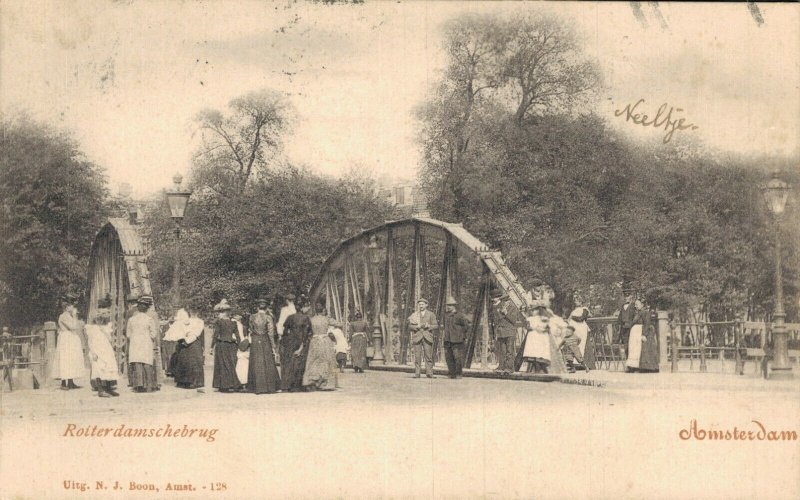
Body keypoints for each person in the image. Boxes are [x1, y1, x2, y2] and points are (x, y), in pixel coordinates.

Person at [247, 297, 281, 394]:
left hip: (255, 340)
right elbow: (270, 332)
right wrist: (273, 346)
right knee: (267, 362)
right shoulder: (268, 317)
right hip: (265, 339)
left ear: (257, 307)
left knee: (256, 362)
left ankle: (256, 387)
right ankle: (269, 387)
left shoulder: (252, 317)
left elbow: (251, 330)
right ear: (266, 308)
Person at [126, 296, 160, 392]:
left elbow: (128, 334)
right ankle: (149, 386)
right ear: (147, 308)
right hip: (146, 343)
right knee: (147, 363)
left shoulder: (132, 319)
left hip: (135, 343)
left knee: (137, 363)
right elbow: (153, 334)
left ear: (138, 308)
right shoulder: (149, 319)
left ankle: (138, 386)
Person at [53, 293, 86, 390]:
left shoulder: (68, 315)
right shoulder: (64, 316)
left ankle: (71, 382)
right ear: (67, 307)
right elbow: (74, 327)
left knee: (71, 359)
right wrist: (75, 316)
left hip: (70, 338)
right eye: (71, 306)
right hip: (66, 338)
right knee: (66, 359)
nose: (73, 308)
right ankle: (64, 383)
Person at [85, 305, 119, 397]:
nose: (99, 321)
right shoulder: (92, 329)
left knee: (109, 367)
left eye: (101, 320)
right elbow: (90, 342)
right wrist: (93, 352)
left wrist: (104, 331)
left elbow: (110, 339)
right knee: (99, 369)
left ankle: (108, 388)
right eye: (98, 319)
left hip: (106, 349)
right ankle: (100, 390)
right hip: (97, 351)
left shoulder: (106, 328)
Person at [280, 295, 312, 392]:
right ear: (302, 308)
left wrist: (286, 340)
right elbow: (308, 333)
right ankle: (297, 385)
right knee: (300, 362)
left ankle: (286, 385)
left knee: (289, 362)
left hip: (291, 340)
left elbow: (285, 330)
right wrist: (304, 343)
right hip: (301, 340)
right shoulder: (305, 318)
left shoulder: (290, 317)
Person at [303, 302, 337, 391]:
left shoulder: (311, 319)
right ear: (322, 310)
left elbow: (307, 330)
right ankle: (326, 381)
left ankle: (313, 380)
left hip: (315, 341)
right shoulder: (327, 319)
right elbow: (339, 324)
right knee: (327, 360)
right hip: (325, 341)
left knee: (313, 360)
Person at [172, 304, 206, 391]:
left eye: (195, 311)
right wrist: (184, 337)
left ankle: (194, 382)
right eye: (192, 311)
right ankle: (183, 381)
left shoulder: (200, 322)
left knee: (194, 362)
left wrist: (188, 340)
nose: (193, 312)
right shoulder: (186, 320)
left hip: (194, 342)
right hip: (185, 340)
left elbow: (197, 332)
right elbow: (181, 329)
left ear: (198, 312)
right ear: (189, 312)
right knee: (183, 360)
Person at [211, 299, 240, 393]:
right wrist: (239, 346)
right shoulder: (234, 323)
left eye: (220, 312)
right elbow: (238, 336)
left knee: (222, 364)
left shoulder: (219, 322)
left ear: (224, 313)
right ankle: (232, 384)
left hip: (222, 344)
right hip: (231, 345)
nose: (218, 314)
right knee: (230, 364)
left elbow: (216, 335)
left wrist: (211, 347)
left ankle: (223, 385)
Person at [626, 300, 660, 372]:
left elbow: (647, 323)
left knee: (639, 350)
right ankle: (633, 366)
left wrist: (644, 334)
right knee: (634, 350)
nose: (635, 306)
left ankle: (644, 367)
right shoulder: (637, 312)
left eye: (637, 304)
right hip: (635, 333)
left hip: (640, 332)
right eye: (635, 304)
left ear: (642, 304)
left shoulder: (645, 312)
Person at [518, 302, 553, 373]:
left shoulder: (533, 319)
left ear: (538, 310)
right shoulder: (543, 318)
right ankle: (537, 369)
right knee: (536, 354)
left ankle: (537, 369)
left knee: (534, 353)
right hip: (537, 337)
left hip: (535, 337)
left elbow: (528, 326)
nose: (532, 312)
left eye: (533, 310)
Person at [407, 298, 438, 378]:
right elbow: (409, 326)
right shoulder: (415, 315)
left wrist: (429, 326)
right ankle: (417, 373)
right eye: (419, 304)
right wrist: (417, 327)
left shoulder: (431, 314)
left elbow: (436, 325)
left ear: (426, 305)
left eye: (422, 304)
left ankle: (429, 373)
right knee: (417, 356)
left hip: (427, 337)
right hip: (417, 337)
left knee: (428, 356)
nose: (421, 306)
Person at [442, 296, 471, 379]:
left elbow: (466, 326)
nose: (449, 306)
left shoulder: (459, 315)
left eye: (450, 305)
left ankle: (458, 373)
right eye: (448, 305)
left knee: (457, 357)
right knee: (449, 357)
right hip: (448, 339)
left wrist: (461, 334)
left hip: (457, 340)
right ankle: (452, 373)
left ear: (454, 306)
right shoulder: (446, 315)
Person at [491, 290, 517, 374]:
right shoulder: (499, 307)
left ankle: (509, 368)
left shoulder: (513, 307)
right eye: (503, 300)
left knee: (509, 351)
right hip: (501, 332)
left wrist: (506, 313)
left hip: (509, 331)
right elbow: (497, 320)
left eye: (506, 300)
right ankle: (501, 366)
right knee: (502, 351)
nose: (505, 302)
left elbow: (513, 320)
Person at [232, 312, 249, 392]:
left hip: (239, 346)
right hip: (241, 346)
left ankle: (238, 384)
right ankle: (241, 384)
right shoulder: (242, 326)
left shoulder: (242, 326)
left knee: (239, 366)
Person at [618, 290, 636, 357]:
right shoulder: (623, 306)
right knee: (625, 343)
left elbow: (635, 316)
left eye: (627, 296)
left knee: (631, 343)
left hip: (631, 327)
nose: (626, 297)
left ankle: (632, 358)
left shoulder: (634, 305)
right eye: (625, 296)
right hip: (624, 327)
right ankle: (627, 358)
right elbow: (620, 316)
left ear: (631, 296)